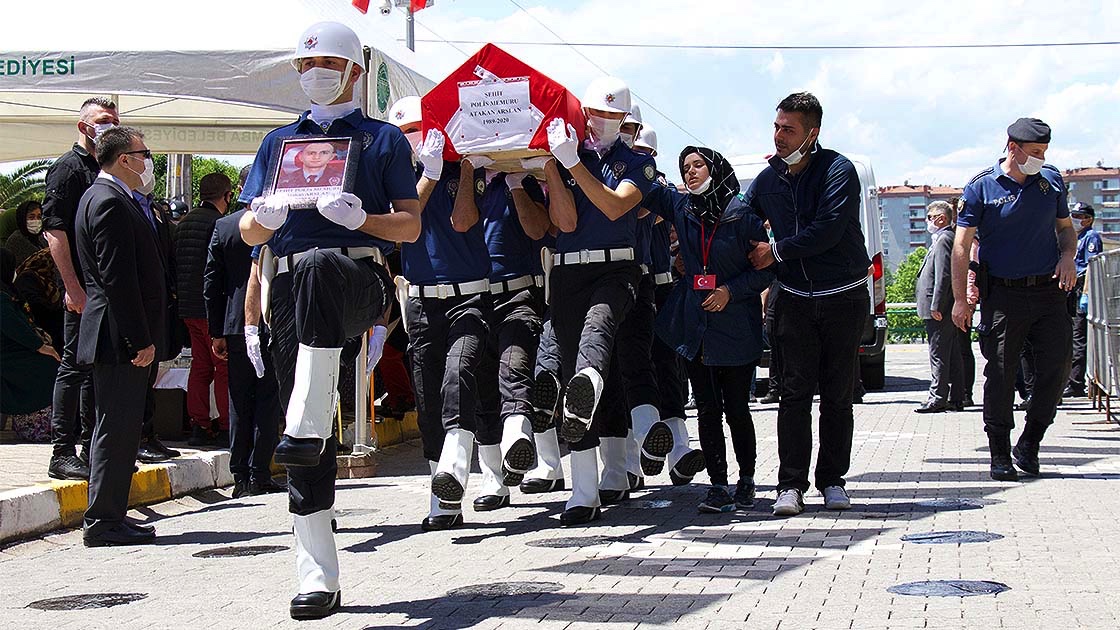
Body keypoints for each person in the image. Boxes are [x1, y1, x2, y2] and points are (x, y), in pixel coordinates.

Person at [238, 22, 419, 619]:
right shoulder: (277, 143)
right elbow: (249, 232)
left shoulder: (382, 139)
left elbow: (410, 225)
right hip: (291, 286)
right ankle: (317, 574)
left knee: (319, 265)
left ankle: (308, 417)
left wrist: (362, 220)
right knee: (305, 444)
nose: (313, 73)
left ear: (354, 72)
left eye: (327, 63)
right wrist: (264, 219)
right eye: (305, 65)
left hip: (357, 275)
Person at [536, 76, 657, 526]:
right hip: (569, 269)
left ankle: (588, 384)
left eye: (614, 115)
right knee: (576, 376)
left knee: (599, 330)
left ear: (625, 119)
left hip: (618, 267)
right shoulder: (567, 154)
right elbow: (564, 223)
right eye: (597, 113)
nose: (604, 121)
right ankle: (583, 492)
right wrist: (552, 166)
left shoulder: (639, 164)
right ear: (584, 112)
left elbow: (614, 206)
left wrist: (572, 165)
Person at [744, 92, 871, 516]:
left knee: (838, 394)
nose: (779, 136)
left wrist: (775, 252)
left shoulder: (838, 170)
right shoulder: (768, 178)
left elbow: (828, 228)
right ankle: (790, 486)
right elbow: (741, 218)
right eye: (776, 126)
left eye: (789, 129)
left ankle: (833, 481)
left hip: (843, 297)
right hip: (794, 300)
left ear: (811, 133)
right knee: (793, 394)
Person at [951, 117, 1076, 481]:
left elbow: (1066, 229)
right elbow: (961, 246)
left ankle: (1030, 441)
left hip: (1048, 292)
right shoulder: (981, 187)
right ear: (1012, 147)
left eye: (1044, 151)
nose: (1040, 158)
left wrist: (1068, 256)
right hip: (1003, 295)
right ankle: (1000, 453)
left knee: (1058, 368)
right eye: (1035, 151)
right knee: (1001, 373)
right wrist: (960, 299)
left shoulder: (1051, 181)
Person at [650, 146, 773, 513]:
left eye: (698, 165)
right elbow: (646, 189)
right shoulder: (682, 208)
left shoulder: (742, 215)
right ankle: (718, 485)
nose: (690, 172)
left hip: (735, 326)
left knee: (736, 409)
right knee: (706, 409)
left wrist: (729, 291)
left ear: (715, 170)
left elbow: (765, 271)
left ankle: (746, 480)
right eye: (684, 167)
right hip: (696, 328)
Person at [390, 103, 493, 531]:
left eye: (418, 127)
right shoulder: (396, 179)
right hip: (421, 300)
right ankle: (443, 499)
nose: (413, 137)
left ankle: (456, 465)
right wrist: (427, 176)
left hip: (468, 296)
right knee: (428, 398)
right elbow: (403, 227)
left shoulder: (462, 167)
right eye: (405, 131)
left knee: (458, 372)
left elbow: (464, 219)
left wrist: (463, 168)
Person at [75, 126, 169, 547]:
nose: (148, 161)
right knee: (116, 428)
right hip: (117, 335)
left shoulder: (109, 197)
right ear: (125, 159)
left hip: (115, 332)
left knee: (119, 427)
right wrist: (139, 339)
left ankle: (111, 513)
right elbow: (118, 279)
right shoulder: (109, 200)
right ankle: (103, 520)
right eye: (143, 153)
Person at [463, 163, 551, 511]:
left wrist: (516, 186)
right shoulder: (463, 181)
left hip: (518, 294)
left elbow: (538, 229)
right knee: (481, 389)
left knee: (514, 368)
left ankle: (518, 441)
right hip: (473, 296)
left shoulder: (523, 180)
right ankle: (493, 479)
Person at [41, 97, 119, 481]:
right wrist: (72, 288)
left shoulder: (103, 169)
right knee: (73, 366)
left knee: (93, 367)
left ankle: (91, 448)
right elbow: (54, 231)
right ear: (83, 126)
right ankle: (62, 452)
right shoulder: (67, 169)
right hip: (82, 290)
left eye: (115, 120)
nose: (110, 126)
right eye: (104, 120)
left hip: (102, 289)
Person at [631, 128, 706, 488]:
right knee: (630, 368)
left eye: (643, 148)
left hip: (661, 285)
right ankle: (632, 460)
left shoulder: (656, 184)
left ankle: (678, 449)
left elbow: (653, 212)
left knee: (666, 366)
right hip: (632, 281)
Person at [205, 169, 285, 498]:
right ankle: (259, 472)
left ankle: (240, 475)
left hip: (235, 325)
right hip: (272, 320)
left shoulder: (224, 226)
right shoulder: (280, 222)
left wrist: (216, 330)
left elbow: (212, 282)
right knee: (268, 399)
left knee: (239, 400)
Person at [176, 173, 233, 446]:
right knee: (222, 366)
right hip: (211, 307)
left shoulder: (184, 223)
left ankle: (198, 424)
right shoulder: (218, 224)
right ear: (227, 196)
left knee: (200, 366)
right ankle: (226, 425)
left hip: (187, 306)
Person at [1, 247, 60, 430]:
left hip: (13, 351)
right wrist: (39, 346)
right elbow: (12, 325)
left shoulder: (8, 292)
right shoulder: (2, 297)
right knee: (52, 368)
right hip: (9, 356)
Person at [915, 200, 963, 413]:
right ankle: (956, 397)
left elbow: (943, 275)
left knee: (939, 353)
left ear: (941, 219)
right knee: (951, 353)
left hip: (938, 308)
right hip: (941, 306)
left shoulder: (944, 239)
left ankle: (938, 397)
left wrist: (937, 305)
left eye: (930, 217)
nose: (928, 221)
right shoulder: (944, 238)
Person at [1064, 202, 1102, 398]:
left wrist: (1086, 294)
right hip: (1071, 289)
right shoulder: (1076, 237)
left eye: (1080, 216)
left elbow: (1090, 267)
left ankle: (1076, 382)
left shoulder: (1091, 237)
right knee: (1070, 336)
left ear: (1089, 219)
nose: (1075, 220)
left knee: (1078, 337)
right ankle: (1070, 379)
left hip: (1081, 288)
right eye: (1074, 216)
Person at [277, 141, 345, 189]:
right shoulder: (285, 180)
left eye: (324, 153)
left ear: (332, 157)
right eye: (311, 153)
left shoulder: (342, 178)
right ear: (301, 156)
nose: (317, 157)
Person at [6, 200, 47, 266]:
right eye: (31, 217)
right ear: (22, 219)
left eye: (39, 217)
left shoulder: (40, 238)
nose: (36, 220)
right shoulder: (16, 239)